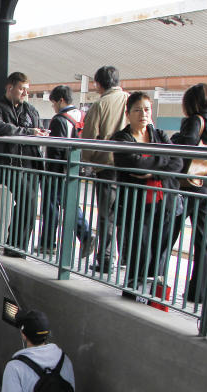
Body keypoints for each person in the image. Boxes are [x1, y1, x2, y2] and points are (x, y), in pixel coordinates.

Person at [111, 92, 183, 291]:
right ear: (128, 114)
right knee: (140, 250)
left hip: (164, 203)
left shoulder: (159, 135)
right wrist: (160, 160)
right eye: (137, 110)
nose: (143, 114)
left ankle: (152, 291)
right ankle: (135, 290)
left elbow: (178, 161)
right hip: (138, 205)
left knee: (160, 250)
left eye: (147, 109)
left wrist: (154, 172)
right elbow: (133, 163)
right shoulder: (121, 138)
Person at [0, 71, 48, 257]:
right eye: (21, 89)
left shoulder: (31, 110)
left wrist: (38, 133)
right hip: (8, 164)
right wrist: (29, 132)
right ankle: (14, 247)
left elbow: (34, 131)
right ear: (9, 87)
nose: (25, 93)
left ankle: (17, 246)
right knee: (27, 200)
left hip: (30, 164)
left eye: (26, 90)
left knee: (29, 205)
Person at [82, 66, 129, 273]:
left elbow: (89, 138)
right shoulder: (133, 100)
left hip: (107, 167)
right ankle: (127, 259)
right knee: (128, 213)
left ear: (98, 84)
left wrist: (86, 162)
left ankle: (106, 260)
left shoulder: (100, 104)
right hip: (132, 167)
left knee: (107, 216)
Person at [171, 82, 207, 303]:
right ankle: (199, 293)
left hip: (190, 186)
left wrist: (175, 139)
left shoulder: (197, 120)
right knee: (204, 240)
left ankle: (149, 278)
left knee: (166, 232)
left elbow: (185, 149)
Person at [43, 85, 94, 256]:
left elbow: (55, 150)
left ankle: (48, 243)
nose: (54, 107)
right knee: (69, 202)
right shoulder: (83, 116)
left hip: (58, 172)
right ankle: (85, 235)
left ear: (61, 101)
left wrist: (49, 173)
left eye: (54, 103)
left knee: (52, 207)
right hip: (76, 169)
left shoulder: (59, 120)